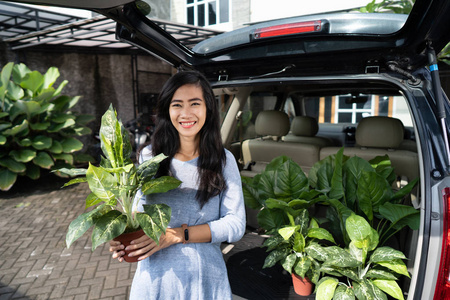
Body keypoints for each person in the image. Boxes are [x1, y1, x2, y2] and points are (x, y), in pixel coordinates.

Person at [109, 70, 246, 299]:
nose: (186, 113)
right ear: (167, 110)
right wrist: (123, 237)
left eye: (195, 103)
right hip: (155, 281)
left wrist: (178, 234)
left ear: (207, 109)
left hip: (205, 280)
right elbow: (140, 211)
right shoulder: (149, 157)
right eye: (177, 104)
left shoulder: (223, 160)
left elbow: (235, 225)